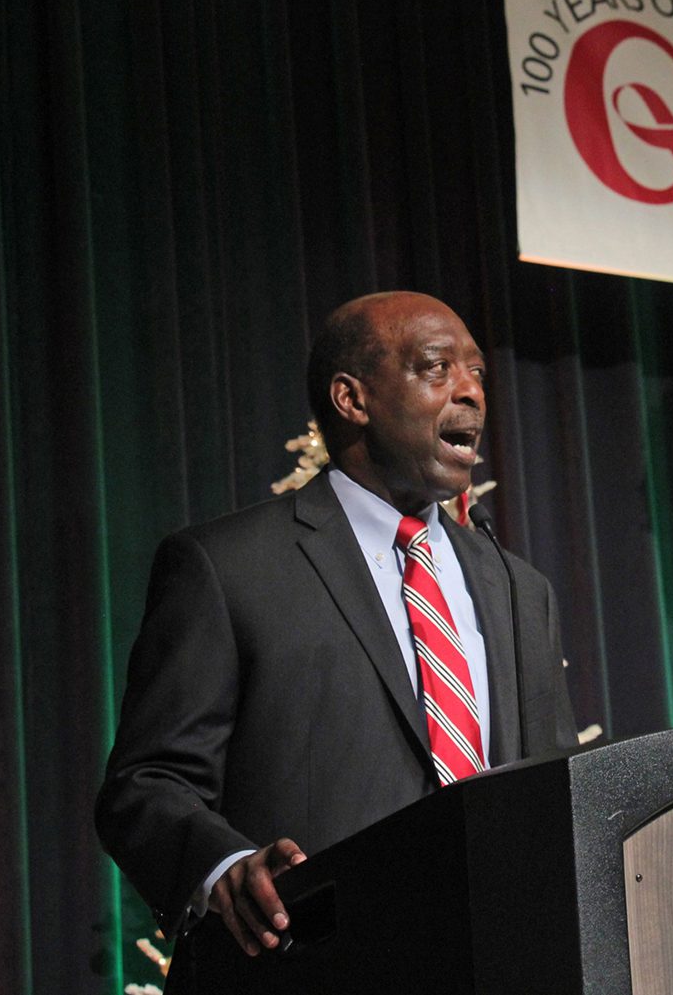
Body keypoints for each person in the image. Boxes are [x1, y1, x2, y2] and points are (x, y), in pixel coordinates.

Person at [96, 291, 576, 992]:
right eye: (437, 367)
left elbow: (555, 793)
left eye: (476, 371)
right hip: (306, 969)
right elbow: (145, 785)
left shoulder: (518, 588)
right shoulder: (229, 567)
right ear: (352, 399)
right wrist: (226, 868)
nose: (471, 390)